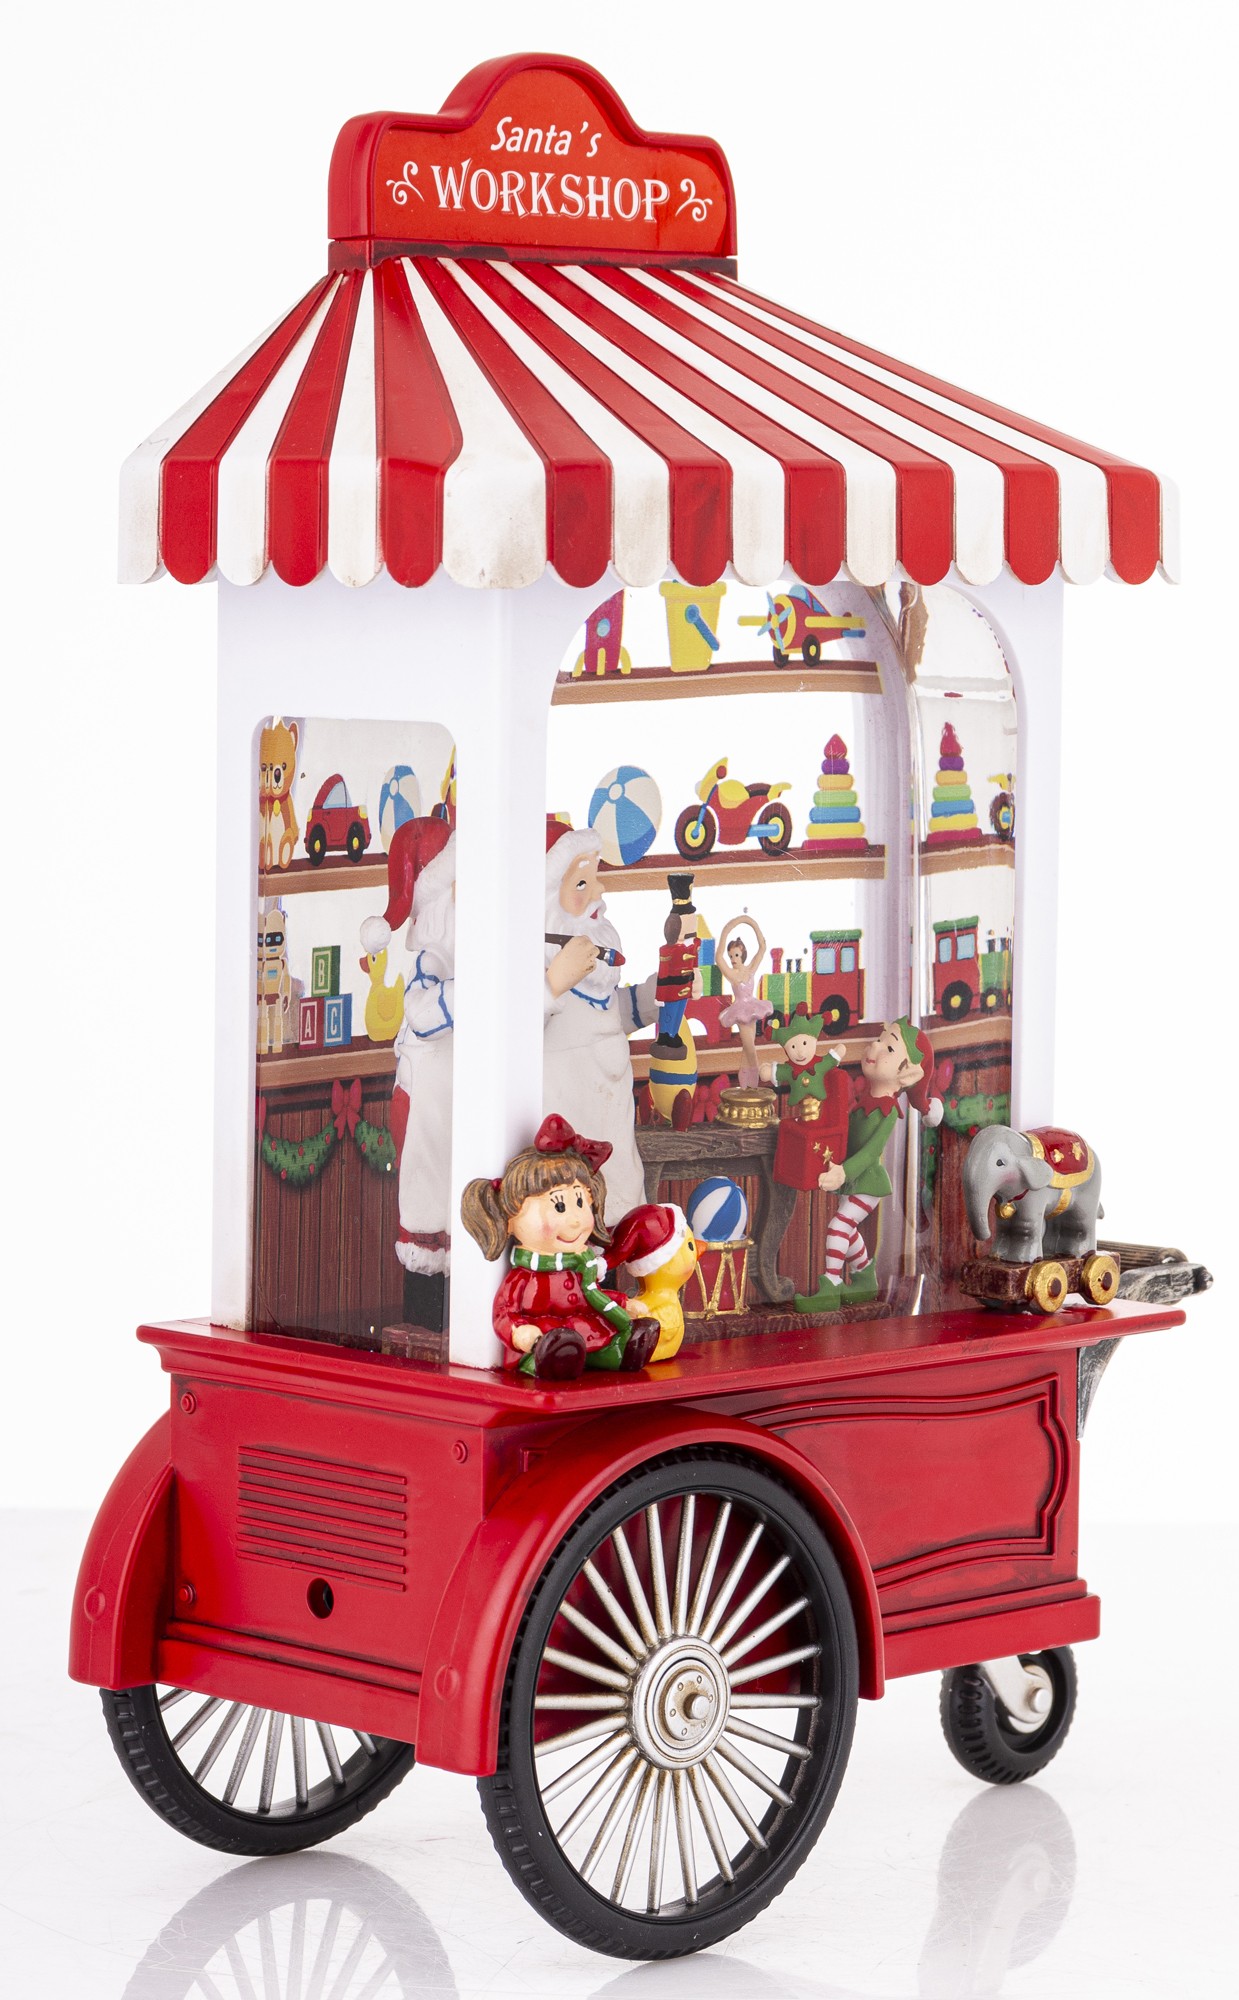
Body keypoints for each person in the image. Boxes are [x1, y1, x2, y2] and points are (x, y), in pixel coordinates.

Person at [459, 1115, 660, 1379]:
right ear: (510, 1219)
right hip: (544, 1338)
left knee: (601, 1342)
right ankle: (554, 1361)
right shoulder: (524, 1277)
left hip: (584, 1329)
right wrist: (520, 1333)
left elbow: (593, 1296)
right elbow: (504, 1312)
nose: (575, 1220)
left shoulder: (581, 1265)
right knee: (553, 1350)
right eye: (559, 1206)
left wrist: (623, 1303)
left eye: (580, 1202)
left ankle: (623, 1351)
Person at [361, 816, 456, 1330]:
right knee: (427, 1207)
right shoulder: (432, 957)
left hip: (446, 1098)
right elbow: (422, 1015)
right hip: (424, 1102)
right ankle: (424, 1326)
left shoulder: (457, 953)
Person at [543, 820, 656, 1222]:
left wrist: (653, 997)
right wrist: (553, 983)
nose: (599, 891)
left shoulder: (595, 972)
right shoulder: (537, 971)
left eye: (596, 878)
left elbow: (609, 1016)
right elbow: (511, 1036)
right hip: (569, 1135)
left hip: (614, 1129)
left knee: (619, 1218)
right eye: (582, 883)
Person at [792, 1017, 941, 1312]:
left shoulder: (888, 1111)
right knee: (848, 1230)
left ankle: (830, 1286)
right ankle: (864, 1278)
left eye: (889, 1047)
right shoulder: (864, 1102)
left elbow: (871, 1152)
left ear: (907, 1074)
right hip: (853, 1179)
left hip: (868, 1182)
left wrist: (843, 1171)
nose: (875, 1045)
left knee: (838, 1226)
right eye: (880, 1039)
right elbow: (845, 1135)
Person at [717, 914, 773, 1086]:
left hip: (752, 1007)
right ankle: (756, 1081)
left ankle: (747, 1085)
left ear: (742, 954)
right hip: (740, 1010)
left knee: (747, 1048)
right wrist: (727, 929)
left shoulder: (750, 970)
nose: (733, 959)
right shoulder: (732, 974)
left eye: (736, 955)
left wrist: (750, 922)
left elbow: (762, 948)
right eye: (731, 956)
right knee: (749, 1048)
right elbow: (718, 958)